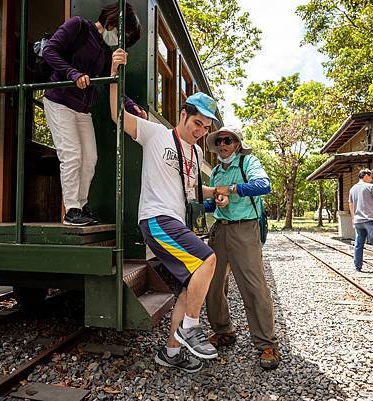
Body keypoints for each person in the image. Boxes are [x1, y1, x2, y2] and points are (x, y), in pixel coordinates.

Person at [110, 48, 227, 373]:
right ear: (183, 115)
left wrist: (214, 192)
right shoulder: (155, 134)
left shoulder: (191, 154)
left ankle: (171, 352)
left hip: (175, 220)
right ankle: (190, 329)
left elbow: (190, 191)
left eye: (205, 128)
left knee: (188, 289)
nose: (200, 131)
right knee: (209, 259)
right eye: (197, 123)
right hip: (156, 219)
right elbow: (116, 116)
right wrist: (113, 74)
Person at [42, 2, 148, 226]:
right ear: (113, 22)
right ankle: (71, 210)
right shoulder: (78, 25)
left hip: (82, 109)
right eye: (122, 34)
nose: (120, 40)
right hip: (59, 100)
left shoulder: (103, 50)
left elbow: (108, 81)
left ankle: (80, 206)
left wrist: (131, 106)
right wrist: (72, 73)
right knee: (71, 155)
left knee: (90, 158)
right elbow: (50, 50)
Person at [202, 126, 280, 370]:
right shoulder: (215, 171)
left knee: (253, 285)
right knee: (212, 284)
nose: (223, 144)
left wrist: (232, 189)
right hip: (219, 229)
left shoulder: (248, 162)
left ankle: (266, 343)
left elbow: (264, 185)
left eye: (228, 140)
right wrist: (207, 201)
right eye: (219, 141)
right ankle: (223, 331)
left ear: (237, 144)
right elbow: (213, 203)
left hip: (245, 229)